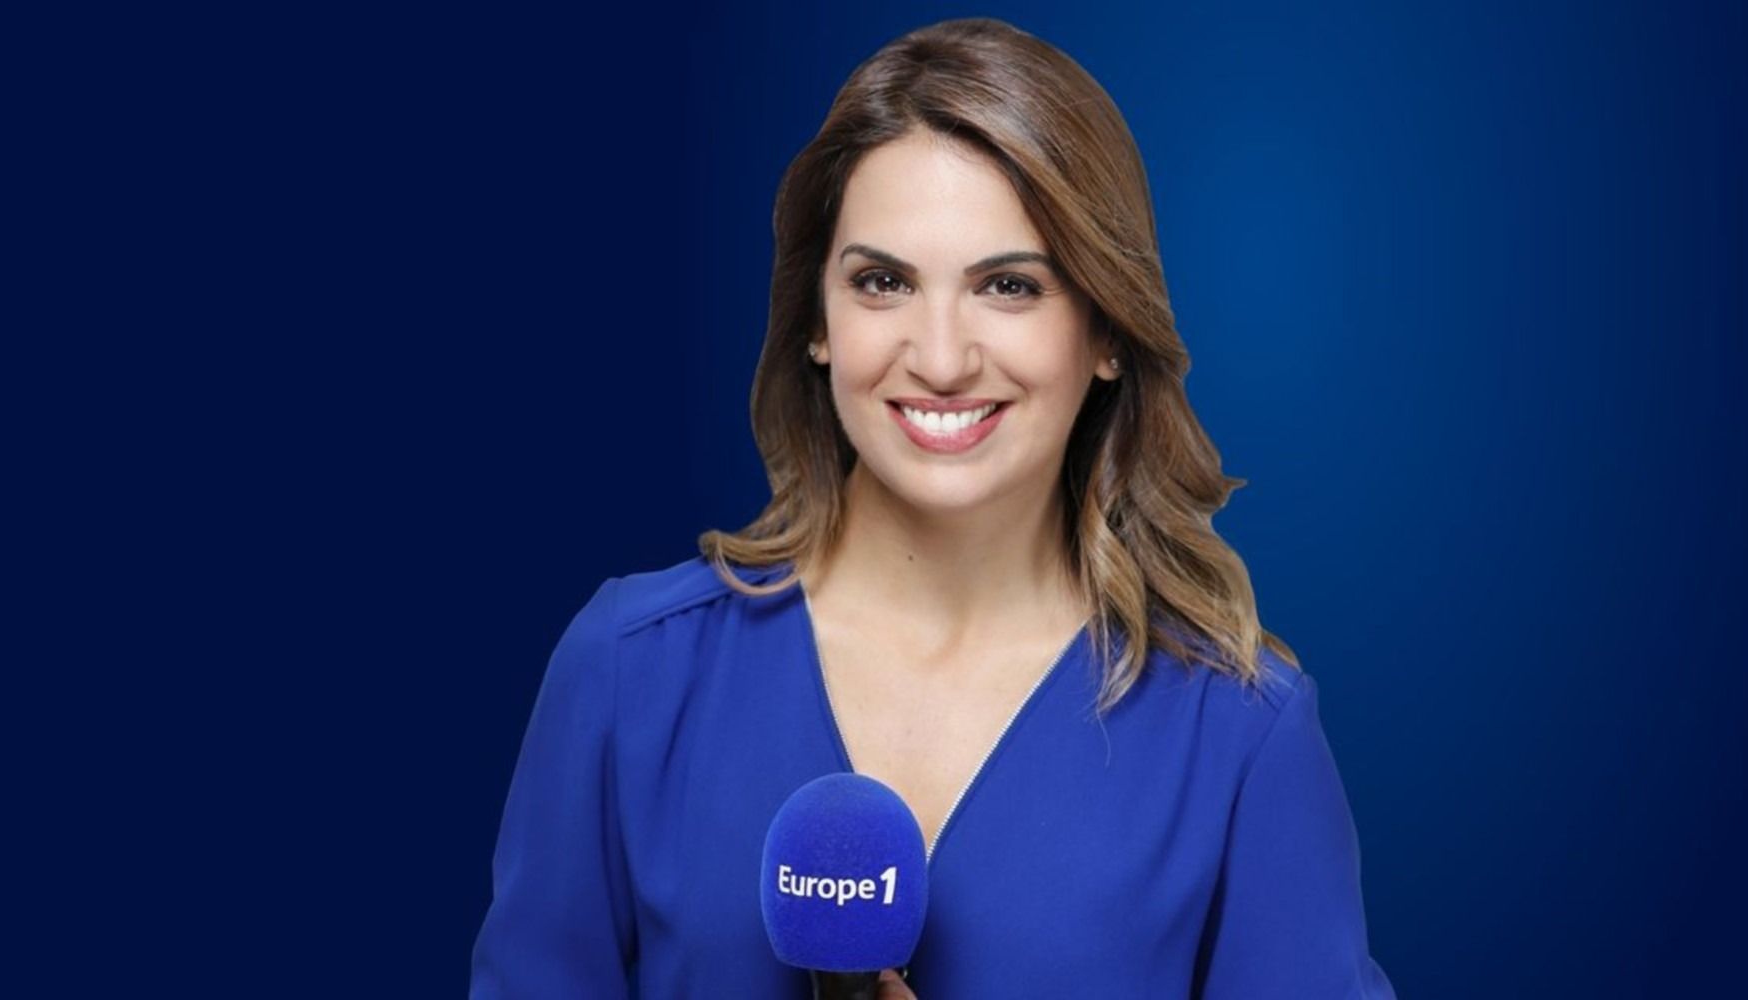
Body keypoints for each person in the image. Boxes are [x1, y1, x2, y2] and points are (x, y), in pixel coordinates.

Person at [470, 17, 1396, 998]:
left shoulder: (1239, 735)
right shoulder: (627, 674)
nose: (942, 358)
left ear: (1106, 334)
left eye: (1009, 285)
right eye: (882, 282)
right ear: (817, 321)